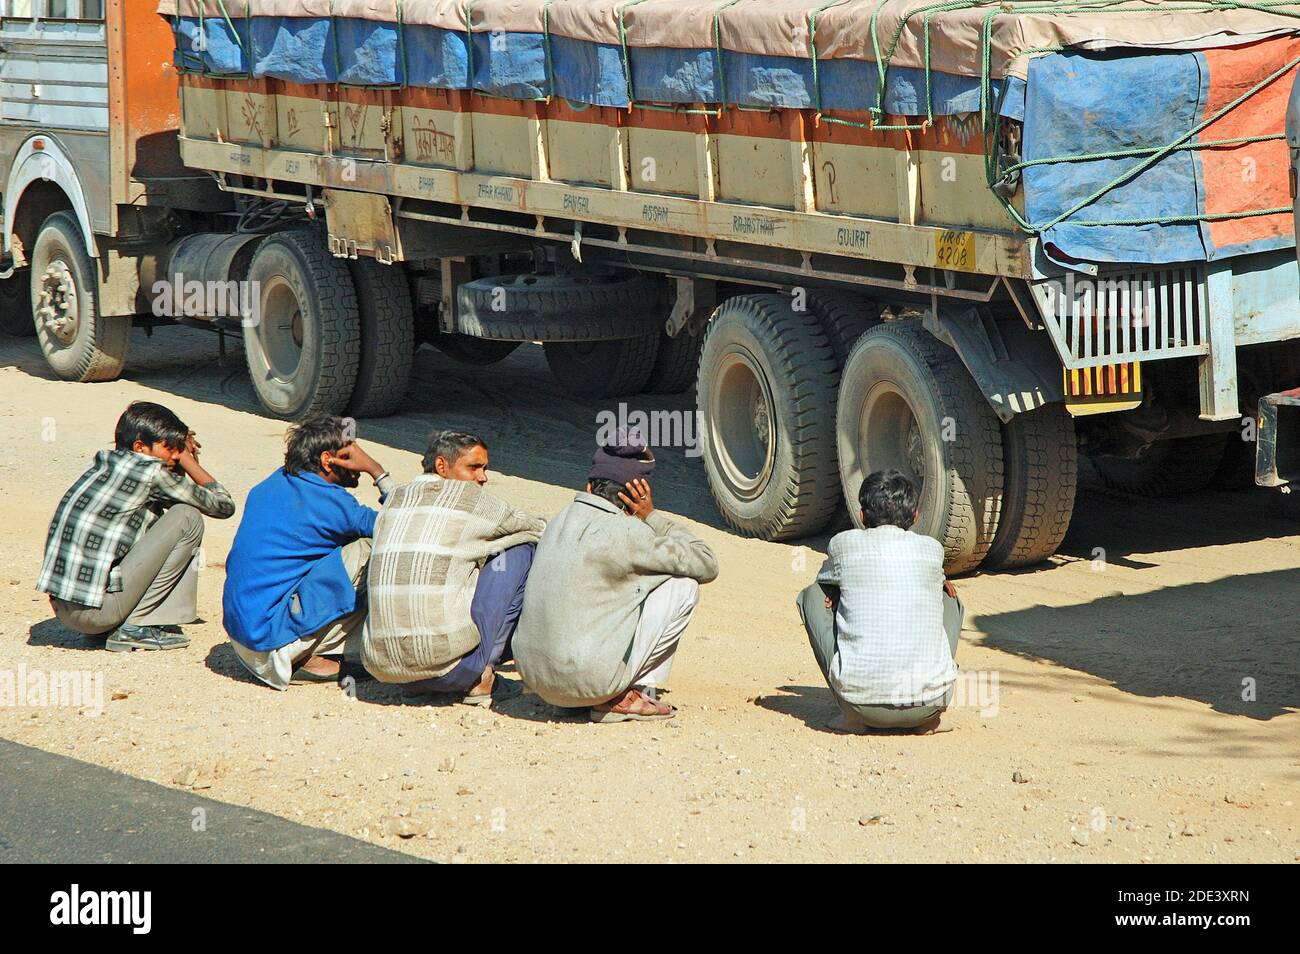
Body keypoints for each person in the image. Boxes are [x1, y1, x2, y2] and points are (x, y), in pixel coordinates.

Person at [514, 431, 718, 723]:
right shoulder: (630, 533)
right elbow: (706, 562)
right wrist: (651, 516)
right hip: (590, 681)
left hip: (536, 680)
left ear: (588, 486)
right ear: (638, 494)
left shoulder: (557, 520)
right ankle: (625, 695)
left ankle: (573, 698)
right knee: (682, 585)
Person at [363, 431, 545, 706]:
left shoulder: (395, 498)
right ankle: (482, 674)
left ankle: (421, 682)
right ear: (441, 467)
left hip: (382, 667)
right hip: (453, 671)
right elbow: (538, 528)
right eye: (473, 467)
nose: (483, 477)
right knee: (521, 550)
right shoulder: (470, 498)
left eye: (484, 468)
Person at [37, 402, 235, 652]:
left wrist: (175, 455)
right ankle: (136, 627)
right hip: (95, 614)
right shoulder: (150, 472)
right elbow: (223, 506)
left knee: (168, 517)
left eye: (178, 449)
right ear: (140, 447)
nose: (175, 455)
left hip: (67, 611)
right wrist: (187, 460)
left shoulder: (106, 463)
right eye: (170, 448)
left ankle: (117, 624)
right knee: (187, 517)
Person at [223, 415, 393, 689]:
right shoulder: (333, 503)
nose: (358, 463)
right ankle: (312, 655)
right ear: (329, 460)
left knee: (337, 554)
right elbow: (403, 528)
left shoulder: (270, 484)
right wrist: (377, 470)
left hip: (244, 636)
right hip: (270, 642)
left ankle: (311, 651)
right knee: (372, 548)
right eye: (351, 453)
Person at [796, 468, 963, 734]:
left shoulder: (843, 544)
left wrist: (836, 594)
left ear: (862, 516)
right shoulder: (932, 549)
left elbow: (823, 583)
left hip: (860, 705)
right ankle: (929, 718)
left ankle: (851, 718)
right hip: (930, 703)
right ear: (916, 516)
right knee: (949, 598)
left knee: (813, 596)